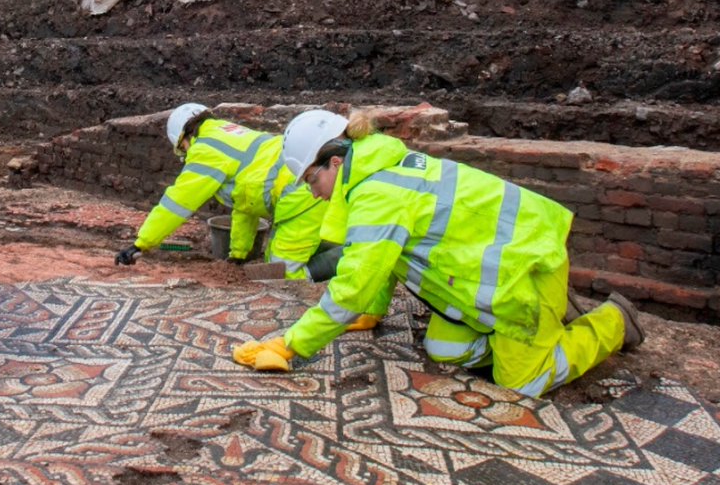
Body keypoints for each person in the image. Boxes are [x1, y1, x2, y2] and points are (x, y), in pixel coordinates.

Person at [232, 109, 644, 398]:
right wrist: (372, 313)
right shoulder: (377, 170)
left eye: (310, 179)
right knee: (445, 350)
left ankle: (612, 322)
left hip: (525, 268)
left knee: (523, 383)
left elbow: (353, 284)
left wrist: (290, 345)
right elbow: (384, 258)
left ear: (335, 162)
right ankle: (533, 326)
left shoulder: (377, 194)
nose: (311, 191)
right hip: (485, 278)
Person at [114, 103, 336, 280]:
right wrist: (238, 255)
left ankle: (336, 272)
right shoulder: (230, 134)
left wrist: (141, 243)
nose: (185, 156)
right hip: (314, 180)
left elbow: (177, 203)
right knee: (285, 257)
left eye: (183, 151)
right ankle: (344, 258)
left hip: (301, 189)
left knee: (280, 273)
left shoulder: (205, 149)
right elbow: (245, 205)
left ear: (184, 140)